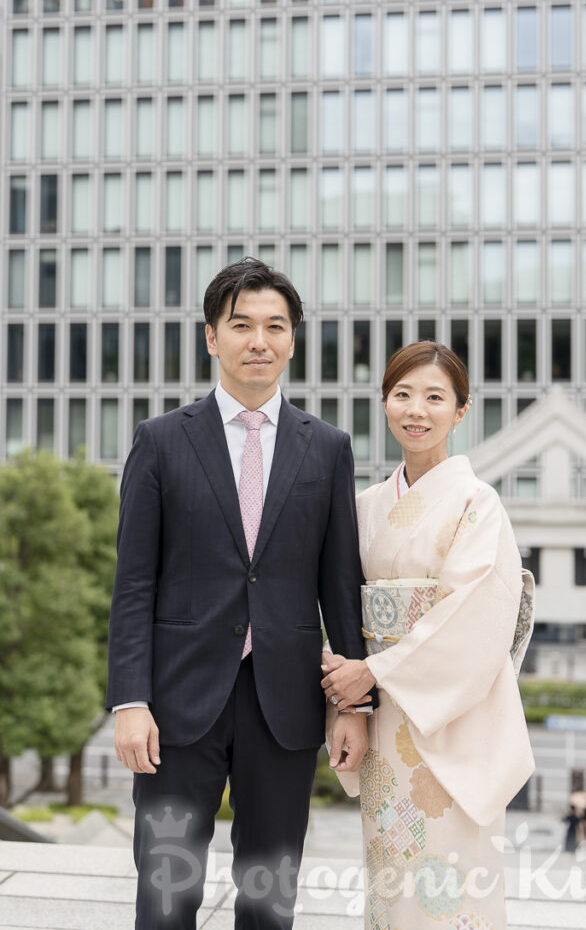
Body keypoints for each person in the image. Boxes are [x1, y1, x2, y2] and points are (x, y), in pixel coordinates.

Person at [106, 258, 373, 930]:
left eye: (274, 326)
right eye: (242, 325)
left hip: (284, 704)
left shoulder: (328, 449)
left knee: (269, 899)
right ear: (211, 337)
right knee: (167, 896)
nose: (259, 340)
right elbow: (134, 583)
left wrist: (352, 704)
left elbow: (340, 584)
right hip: (176, 706)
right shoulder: (161, 442)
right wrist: (130, 700)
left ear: (292, 338)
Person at [321, 342, 535, 930]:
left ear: (461, 411)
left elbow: (476, 614)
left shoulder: (476, 502)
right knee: (392, 883)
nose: (417, 410)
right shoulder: (363, 507)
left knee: (450, 885)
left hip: (451, 719)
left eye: (435, 397)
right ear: (385, 402)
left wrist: (376, 670)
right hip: (383, 714)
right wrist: (350, 693)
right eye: (403, 394)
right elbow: (336, 604)